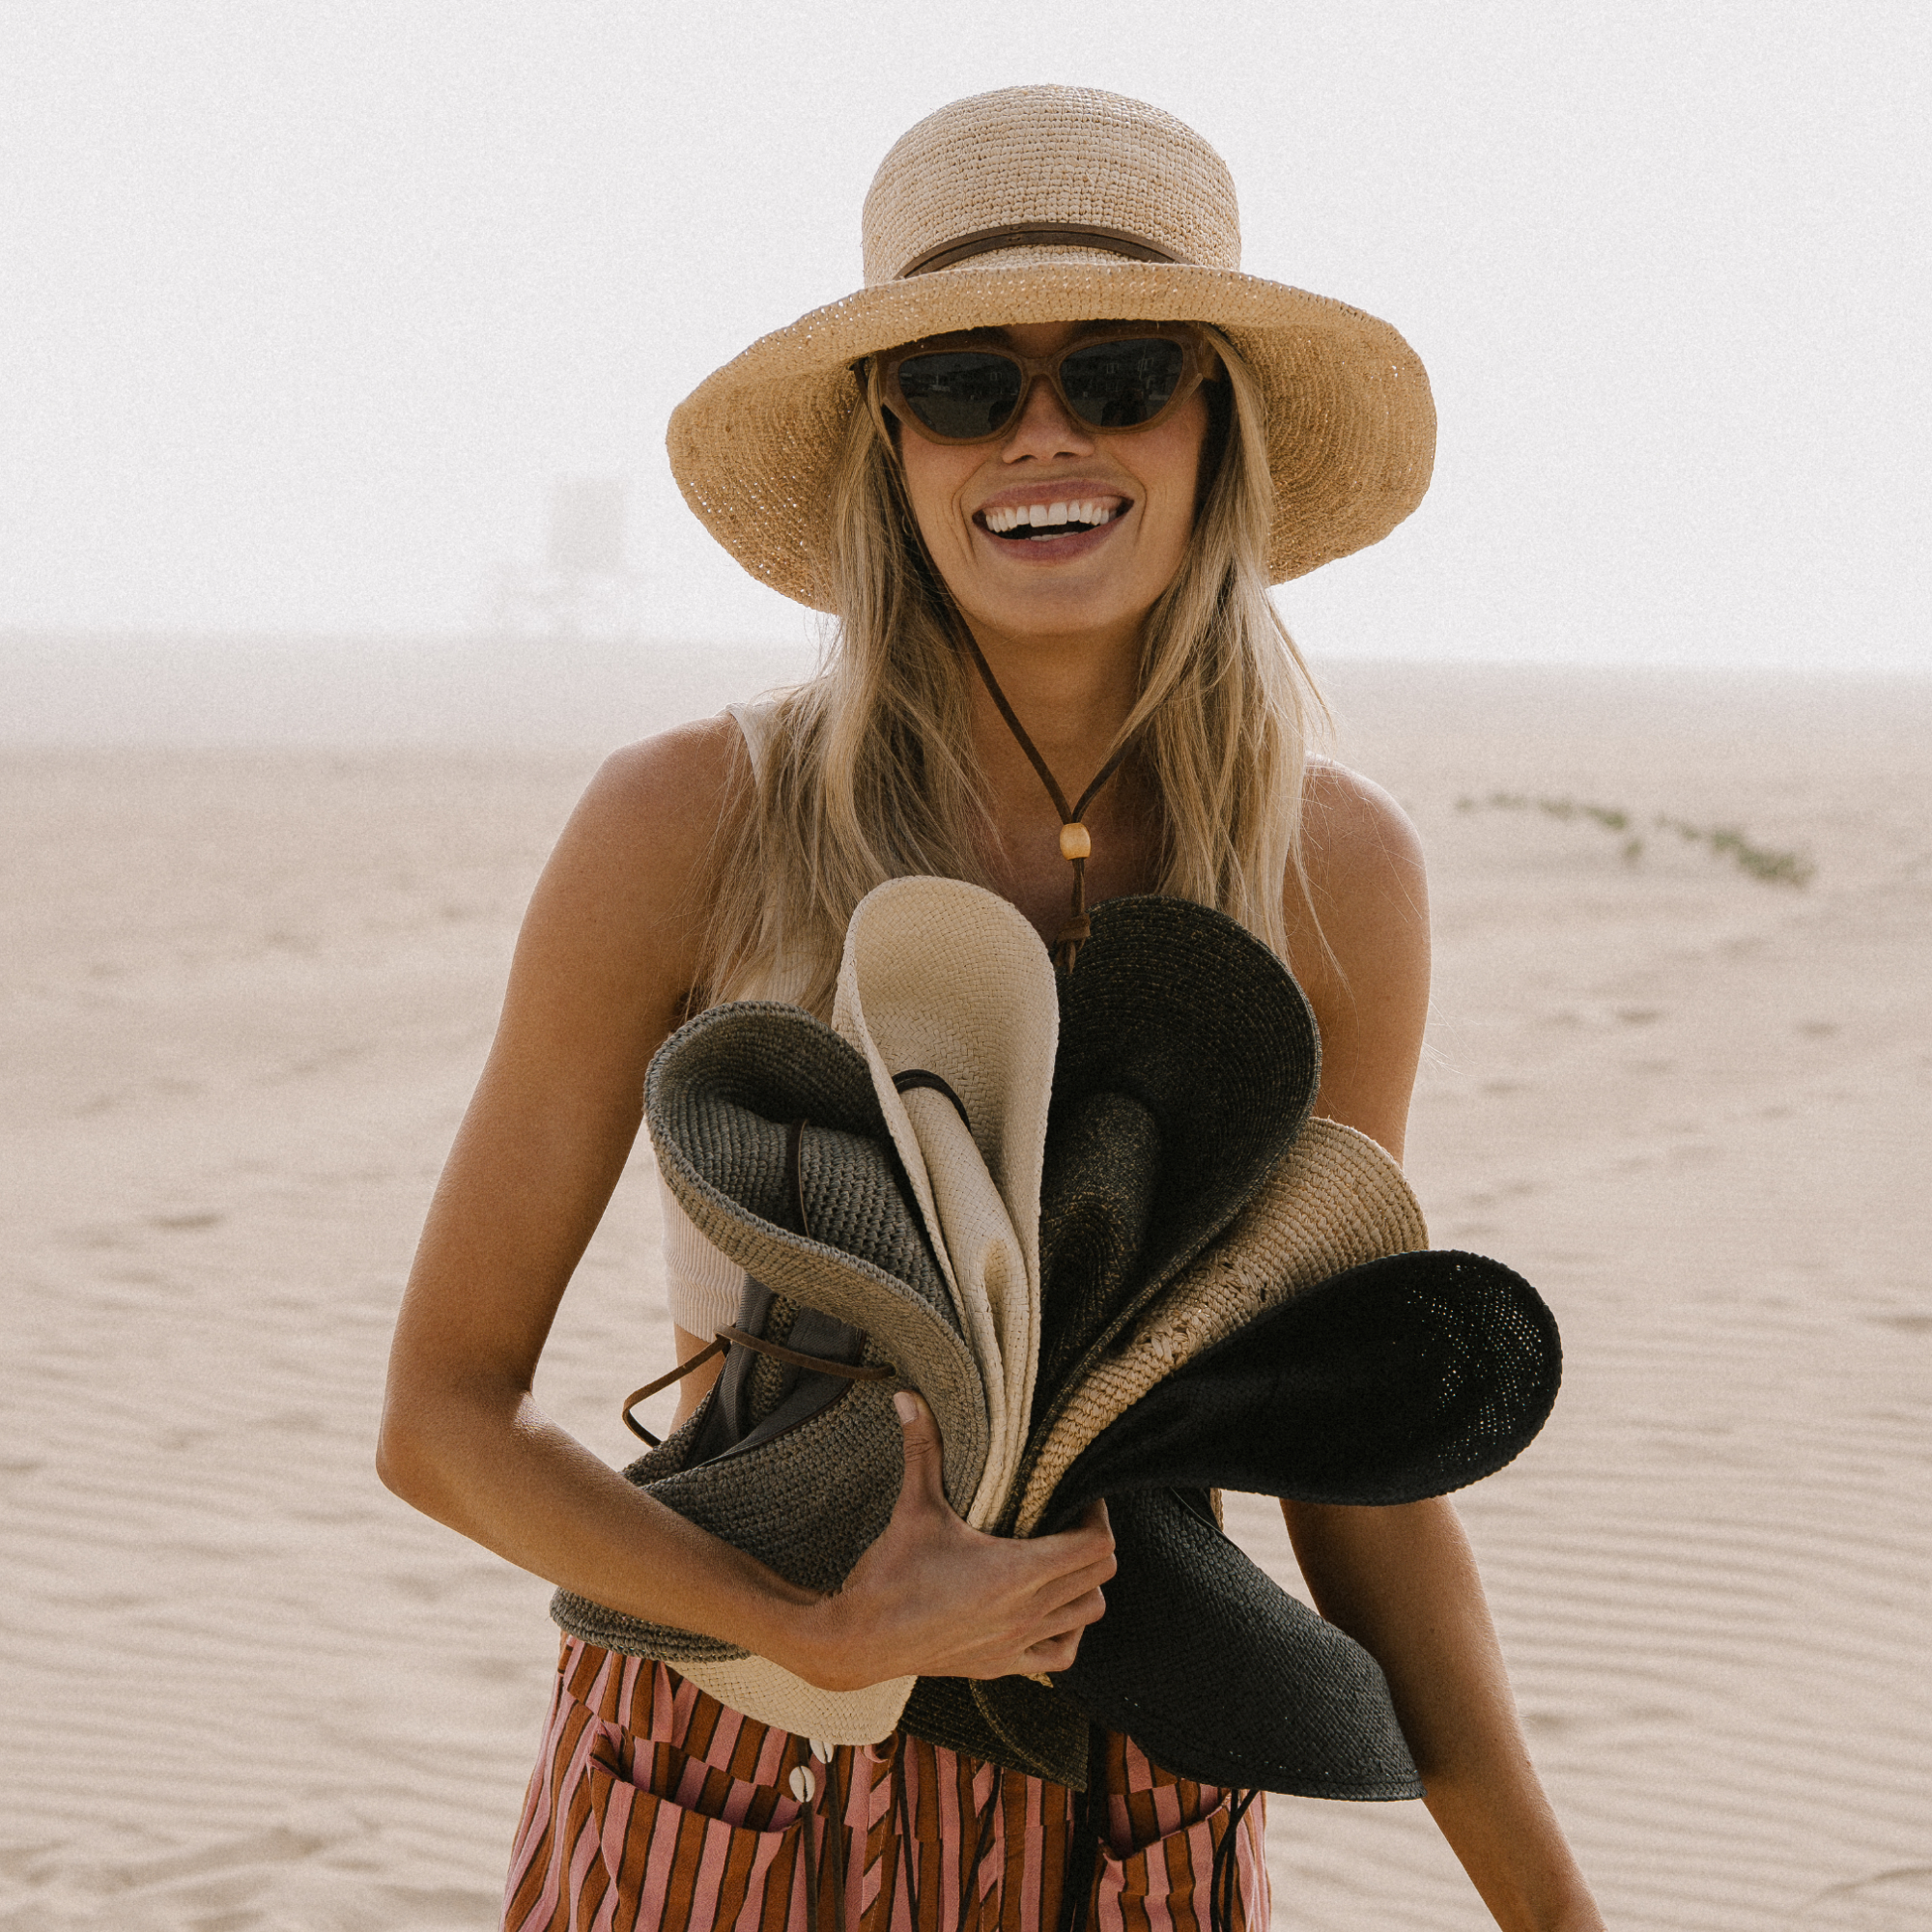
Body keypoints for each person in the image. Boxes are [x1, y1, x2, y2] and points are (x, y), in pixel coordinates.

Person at [379, 85, 1606, 1932]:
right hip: (725, 1783)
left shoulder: (1331, 875)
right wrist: (817, 1619)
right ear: (889, 435)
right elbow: (443, 1418)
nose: (1043, 435)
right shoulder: (687, 826)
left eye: (1119, 371)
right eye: (963, 380)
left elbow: (1345, 1474)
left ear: (1215, 418)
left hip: (1132, 1813)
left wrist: (1555, 1909)